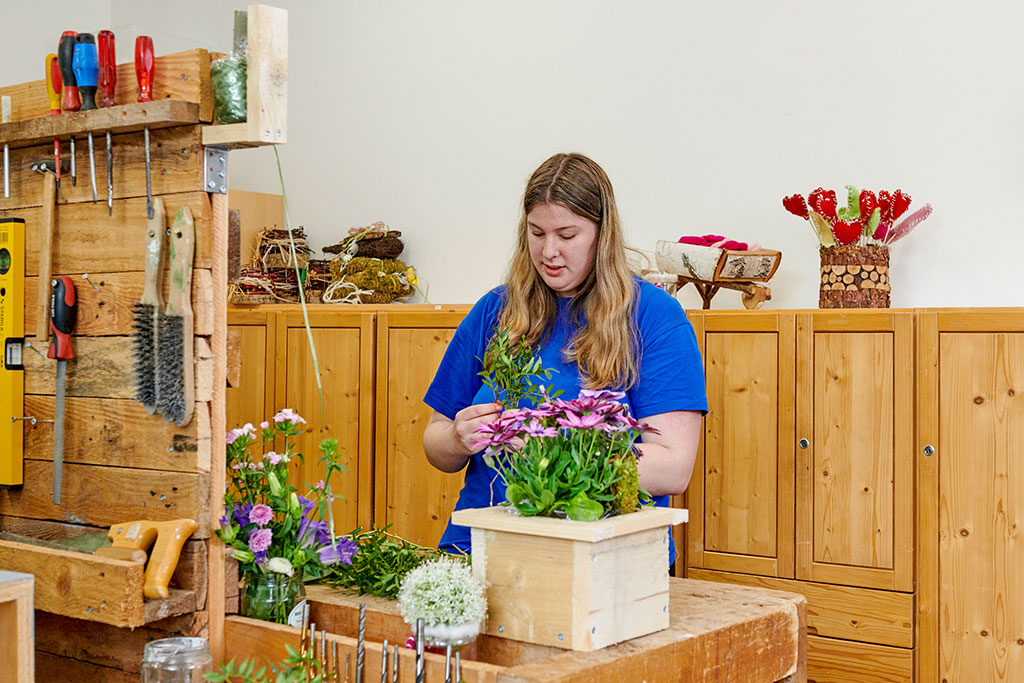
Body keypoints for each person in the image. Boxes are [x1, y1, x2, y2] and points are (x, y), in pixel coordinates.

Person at [422, 152, 707, 558]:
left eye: (567, 235)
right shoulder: (495, 311)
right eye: (537, 233)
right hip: (479, 547)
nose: (549, 252)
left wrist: (548, 451)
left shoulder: (654, 317)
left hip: (604, 556)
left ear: (601, 233)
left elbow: (673, 467)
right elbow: (435, 444)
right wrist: (456, 438)